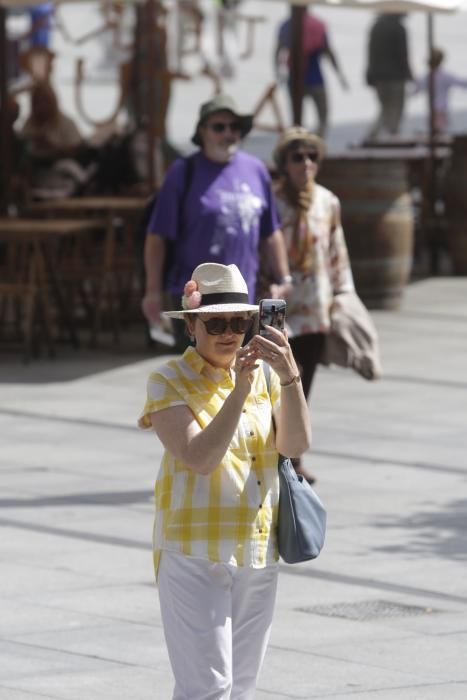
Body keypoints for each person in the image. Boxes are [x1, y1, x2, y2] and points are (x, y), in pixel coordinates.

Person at [138, 262, 311, 700]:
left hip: (257, 550)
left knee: (243, 688)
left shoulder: (267, 376)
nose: (229, 333)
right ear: (192, 325)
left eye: (239, 321)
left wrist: (290, 377)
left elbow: (294, 445)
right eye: (216, 322)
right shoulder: (167, 382)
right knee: (207, 689)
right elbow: (199, 457)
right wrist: (238, 391)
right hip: (194, 553)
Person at [142, 94, 292, 350]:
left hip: (246, 300)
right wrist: (153, 292)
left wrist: (284, 278)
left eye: (234, 127)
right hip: (196, 300)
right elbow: (157, 236)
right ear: (202, 132)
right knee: (200, 383)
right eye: (219, 127)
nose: (228, 133)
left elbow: (271, 231)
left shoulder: (256, 170)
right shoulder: (183, 172)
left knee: (246, 379)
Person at [272, 126, 355, 483]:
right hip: (282, 306)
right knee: (280, 379)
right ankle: (275, 452)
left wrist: (342, 294)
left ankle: (294, 456)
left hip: (316, 303)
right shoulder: (273, 201)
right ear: (284, 163)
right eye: (297, 157)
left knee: (304, 384)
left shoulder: (327, 201)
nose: (305, 163)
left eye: (311, 156)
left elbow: (337, 251)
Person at [275, 7, 348, 138]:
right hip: (303, 77)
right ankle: (307, 142)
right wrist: (339, 75)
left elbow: (278, 51)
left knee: (313, 116)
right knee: (313, 117)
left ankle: (313, 143)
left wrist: (277, 71)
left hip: (306, 77)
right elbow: (328, 51)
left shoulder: (291, 25)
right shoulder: (313, 25)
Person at [20, 81, 93, 199]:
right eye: (38, 102)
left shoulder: (66, 123)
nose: (42, 106)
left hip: (62, 171)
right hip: (38, 174)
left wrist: (52, 147)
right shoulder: (29, 125)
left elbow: (75, 150)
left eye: (44, 101)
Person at [365, 13, 413, 139]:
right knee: (396, 108)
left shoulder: (376, 26)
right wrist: (409, 73)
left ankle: (374, 135)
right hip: (396, 76)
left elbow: (370, 51)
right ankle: (392, 136)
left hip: (378, 76)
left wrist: (369, 74)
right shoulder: (399, 28)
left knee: (385, 108)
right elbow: (403, 54)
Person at [409, 48, 467, 133]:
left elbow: (415, 91)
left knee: (435, 133)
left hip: (432, 110)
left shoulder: (427, 77)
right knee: (440, 133)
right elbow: (462, 83)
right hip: (441, 110)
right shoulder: (444, 76)